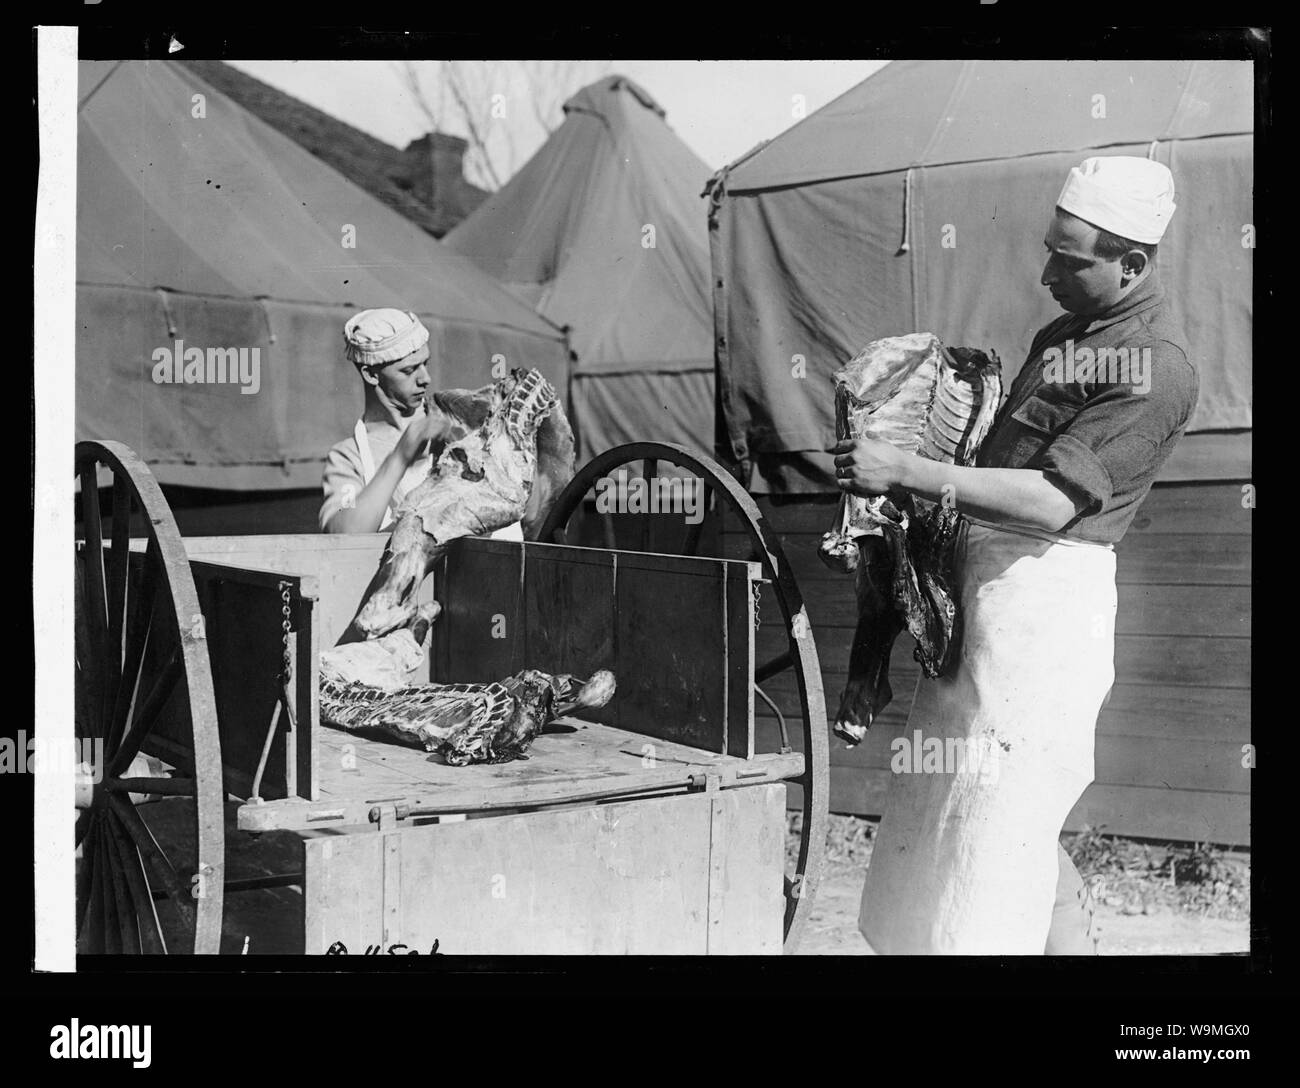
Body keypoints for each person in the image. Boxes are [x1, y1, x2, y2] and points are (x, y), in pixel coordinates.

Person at [831, 156, 1198, 954]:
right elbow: (999, 462)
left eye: (1068, 262)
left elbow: (1053, 501)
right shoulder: (1066, 334)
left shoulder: (1158, 365)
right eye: (1049, 251)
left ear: (1131, 263)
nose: (1045, 275)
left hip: (1042, 622)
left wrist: (909, 470)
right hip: (980, 605)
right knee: (956, 829)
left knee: (997, 838)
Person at [320, 308, 523, 540]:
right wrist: (400, 457)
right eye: (409, 370)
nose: (425, 378)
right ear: (370, 375)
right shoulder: (349, 457)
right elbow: (344, 534)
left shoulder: (461, 419)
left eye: (425, 363)